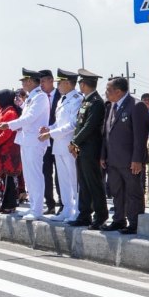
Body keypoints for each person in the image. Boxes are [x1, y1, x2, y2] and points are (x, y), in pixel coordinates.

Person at [100, 77, 149, 234]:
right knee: (117, 191)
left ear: (118, 91)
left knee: (133, 192)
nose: (106, 93)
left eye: (108, 90)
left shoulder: (136, 106)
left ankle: (134, 222)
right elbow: (106, 133)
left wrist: (137, 159)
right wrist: (103, 155)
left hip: (130, 160)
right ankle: (119, 219)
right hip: (113, 159)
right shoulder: (110, 106)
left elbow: (140, 136)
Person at [1, 69, 50, 218]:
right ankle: (34, 206)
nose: (22, 84)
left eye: (24, 81)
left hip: (35, 141)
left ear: (30, 81)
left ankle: (37, 210)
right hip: (26, 140)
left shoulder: (40, 97)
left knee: (35, 176)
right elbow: (27, 116)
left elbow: (30, 118)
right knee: (29, 177)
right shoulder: (32, 97)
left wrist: (9, 124)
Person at [40, 69, 84, 223]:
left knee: (74, 180)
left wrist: (50, 134)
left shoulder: (78, 99)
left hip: (70, 145)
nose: (57, 85)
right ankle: (67, 209)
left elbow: (72, 125)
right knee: (63, 180)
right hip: (59, 145)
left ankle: (78, 210)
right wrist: (49, 128)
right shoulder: (62, 99)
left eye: (60, 82)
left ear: (67, 83)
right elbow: (59, 123)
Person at [67, 69, 107, 228]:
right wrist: (76, 143)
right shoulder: (86, 100)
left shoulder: (96, 102)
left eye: (80, 83)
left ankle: (100, 215)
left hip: (91, 148)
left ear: (84, 84)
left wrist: (74, 141)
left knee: (94, 183)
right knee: (83, 183)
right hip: (81, 148)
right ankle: (84, 215)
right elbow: (79, 125)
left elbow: (89, 126)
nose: (80, 86)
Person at [39, 69, 62, 215]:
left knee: (61, 173)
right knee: (45, 172)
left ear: (51, 80)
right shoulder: (38, 97)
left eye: (43, 81)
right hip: (43, 141)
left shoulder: (62, 96)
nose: (41, 85)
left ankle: (63, 203)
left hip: (59, 139)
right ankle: (50, 203)